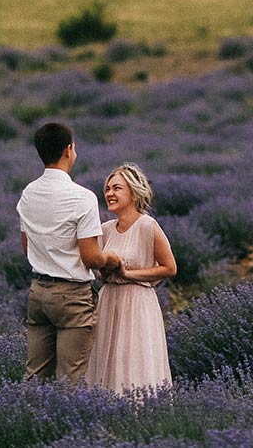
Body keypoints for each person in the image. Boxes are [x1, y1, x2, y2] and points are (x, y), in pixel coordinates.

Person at [17, 122, 121, 383]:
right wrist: (111, 258)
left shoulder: (28, 193)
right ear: (68, 150)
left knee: (34, 377)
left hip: (38, 292)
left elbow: (26, 245)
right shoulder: (82, 197)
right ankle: (68, 425)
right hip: (72, 296)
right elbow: (91, 257)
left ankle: (28, 422)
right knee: (70, 380)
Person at [85, 162, 177, 394]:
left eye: (117, 188)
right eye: (107, 188)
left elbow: (169, 268)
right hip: (108, 302)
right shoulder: (105, 229)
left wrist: (129, 274)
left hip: (137, 303)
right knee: (106, 358)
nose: (109, 193)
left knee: (133, 361)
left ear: (134, 193)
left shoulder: (148, 225)